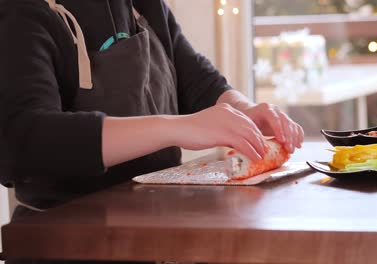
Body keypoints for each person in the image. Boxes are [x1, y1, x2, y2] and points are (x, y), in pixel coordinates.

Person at [0, 0, 303, 216]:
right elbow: (25, 140)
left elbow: (199, 83)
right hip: (68, 238)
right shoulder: (21, 12)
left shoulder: (145, 5)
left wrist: (244, 111)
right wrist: (177, 127)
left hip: (158, 224)